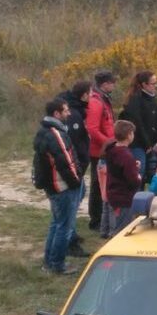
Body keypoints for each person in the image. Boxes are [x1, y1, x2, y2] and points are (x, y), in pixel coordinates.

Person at [33, 99, 82, 276]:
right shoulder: (56, 134)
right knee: (64, 227)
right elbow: (66, 162)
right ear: (56, 114)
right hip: (62, 187)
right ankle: (57, 264)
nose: (69, 114)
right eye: (66, 111)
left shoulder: (44, 131)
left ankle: (49, 261)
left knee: (56, 224)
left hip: (53, 187)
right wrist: (76, 181)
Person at [57, 80, 92, 258]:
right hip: (73, 168)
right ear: (84, 95)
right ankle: (69, 242)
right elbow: (73, 143)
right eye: (91, 93)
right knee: (69, 205)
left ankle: (71, 233)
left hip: (76, 166)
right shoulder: (74, 115)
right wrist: (79, 164)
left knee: (79, 195)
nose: (92, 97)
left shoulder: (76, 110)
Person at [85, 71, 116, 231]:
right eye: (112, 82)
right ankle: (95, 219)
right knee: (98, 185)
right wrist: (109, 143)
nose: (114, 85)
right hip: (99, 151)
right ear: (104, 84)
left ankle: (100, 218)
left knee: (102, 184)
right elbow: (92, 128)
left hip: (105, 148)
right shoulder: (96, 102)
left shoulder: (103, 98)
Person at [121, 70, 157, 183]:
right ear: (144, 84)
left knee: (151, 173)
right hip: (138, 144)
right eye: (153, 84)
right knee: (138, 174)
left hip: (151, 144)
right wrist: (147, 143)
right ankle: (136, 199)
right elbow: (137, 123)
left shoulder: (152, 98)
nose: (155, 86)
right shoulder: (135, 99)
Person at [104, 120, 142, 235]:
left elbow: (118, 168)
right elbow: (133, 180)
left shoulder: (112, 150)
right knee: (122, 231)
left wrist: (132, 166)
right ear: (129, 135)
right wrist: (138, 176)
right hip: (123, 198)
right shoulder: (126, 155)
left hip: (113, 193)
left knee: (115, 225)